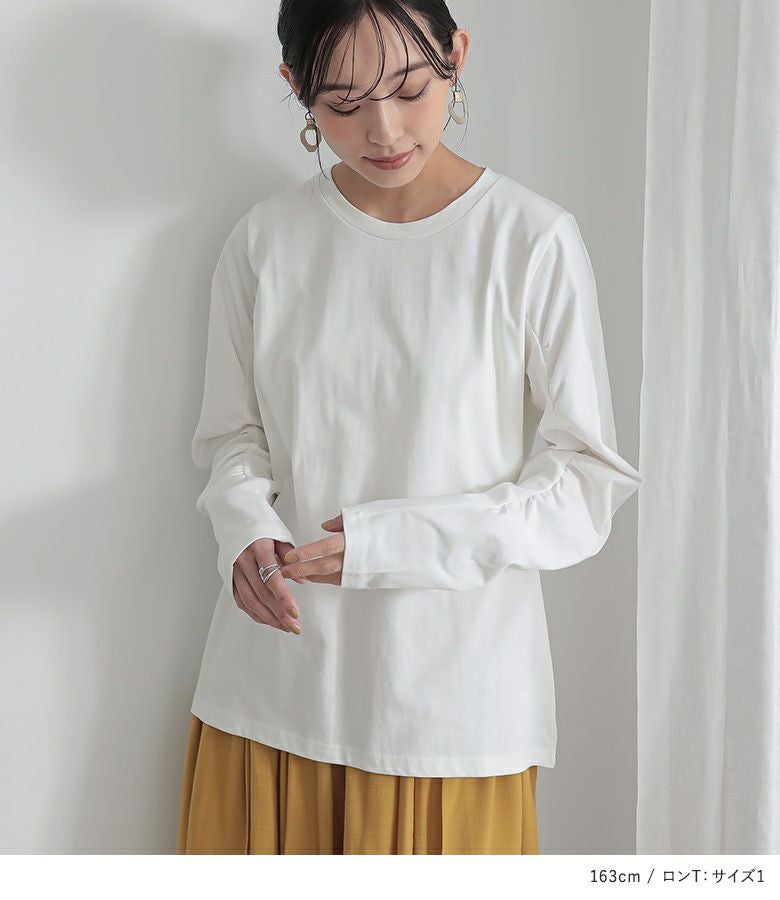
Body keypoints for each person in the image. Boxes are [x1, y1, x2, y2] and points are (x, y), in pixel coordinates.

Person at [177, 0, 642, 855]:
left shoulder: (528, 240)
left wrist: (390, 543)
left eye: (410, 89)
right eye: (344, 104)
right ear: (296, 88)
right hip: (274, 692)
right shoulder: (265, 241)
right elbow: (233, 436)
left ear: (456, 55)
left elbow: (586, 481)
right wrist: (243, 528)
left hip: (449, 709)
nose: (384, 131)